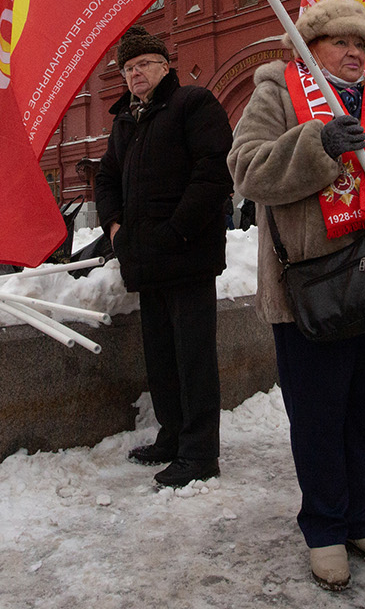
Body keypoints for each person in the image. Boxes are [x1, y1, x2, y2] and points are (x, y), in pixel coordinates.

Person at [227, 0, 365, 592]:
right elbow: (247, 169)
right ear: (310, 47)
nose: (354, 52)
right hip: (311, 289)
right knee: (319, 415)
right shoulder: (277, 91)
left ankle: (362, 518)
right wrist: (318, 145)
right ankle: (325, 527)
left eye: (361, 43)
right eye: (340, 43)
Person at [95, 25, 234, 488]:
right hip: (145, 260)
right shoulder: (124, 120)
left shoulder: (192, 104)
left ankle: (200, 453)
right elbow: (106, 180)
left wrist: (177, 231)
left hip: (187, 257)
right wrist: (114, 228)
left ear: (164, 65)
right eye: (128, 69)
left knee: (193, 357)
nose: (135, 74)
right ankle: (172, 436)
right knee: (160, 356)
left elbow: (214, 174)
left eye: (143, 65)